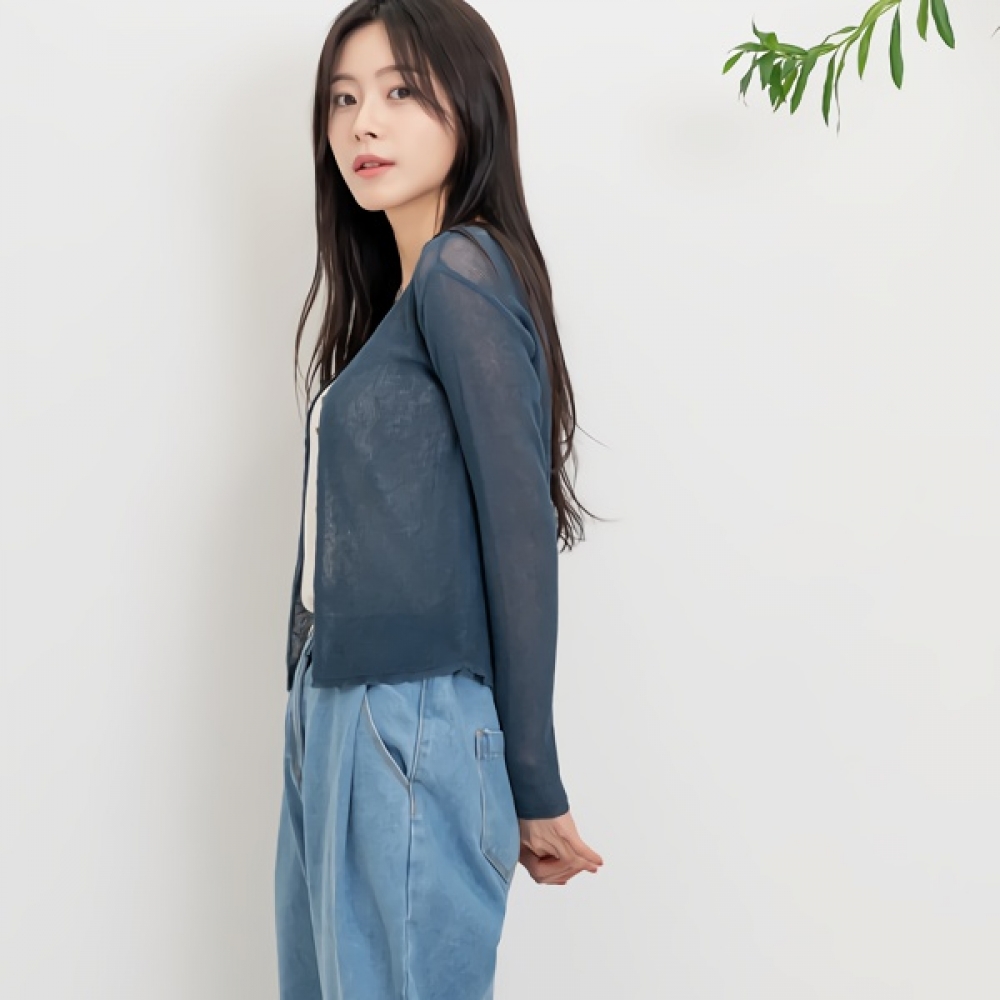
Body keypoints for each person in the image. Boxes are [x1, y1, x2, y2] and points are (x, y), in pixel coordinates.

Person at [274, 1, 604, 996]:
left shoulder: (462, 271)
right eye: (343, 99)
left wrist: (534, 779)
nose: (363, 124)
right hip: (337, 706)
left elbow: (518, 527)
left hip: (404, 712)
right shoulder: (400, 302)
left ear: (471, 105)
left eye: (400, 92)